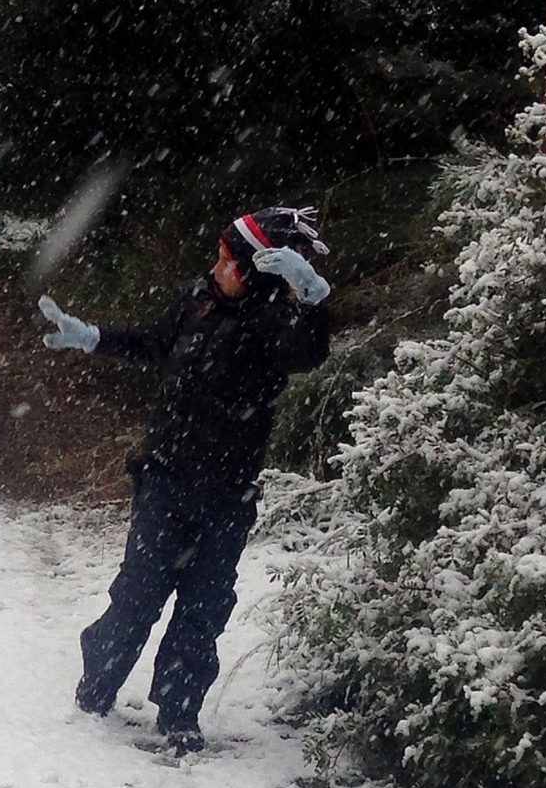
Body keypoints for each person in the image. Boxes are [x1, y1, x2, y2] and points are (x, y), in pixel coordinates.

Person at [37, 207, 334, 755]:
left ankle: (179, 714)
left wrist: (311, 301)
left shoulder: (273, 325)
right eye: (218, 256)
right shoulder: (196, 302)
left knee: (204, 607)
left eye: (228, 260)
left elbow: (307, 352)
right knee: (136, 594)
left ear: (256, 271)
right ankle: (95, 690)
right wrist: (94, 338)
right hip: (165, 480)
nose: (216, 266)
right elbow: (154, 342)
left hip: (227, 494)